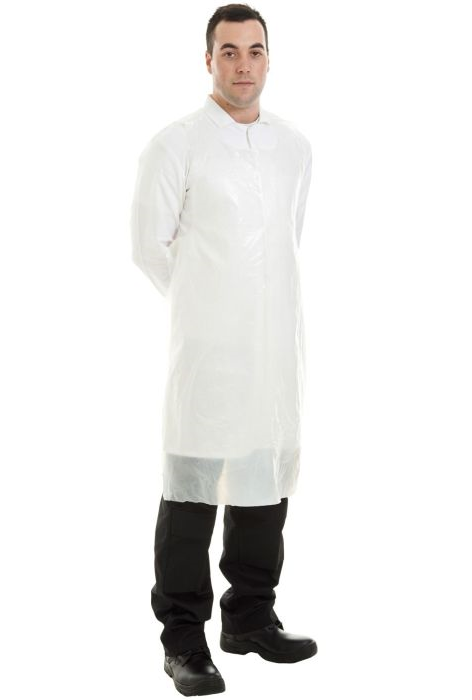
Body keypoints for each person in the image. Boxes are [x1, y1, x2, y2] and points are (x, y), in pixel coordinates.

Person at [130, 4, 316, 695]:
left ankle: (250, 618)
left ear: (270, 59)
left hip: (274, 352)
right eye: (229, 51)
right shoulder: (175, 145)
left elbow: (289, 237)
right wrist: (209, 303)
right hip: (208, 355)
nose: (243, 64)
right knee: (191, 498)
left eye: (255, 50)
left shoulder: (294, 147)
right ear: (208, 60)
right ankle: (183, 640)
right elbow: (149, 247)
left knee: (265, 490)